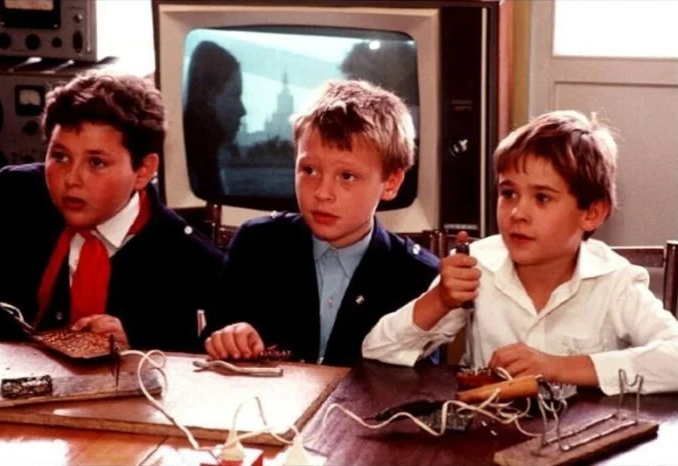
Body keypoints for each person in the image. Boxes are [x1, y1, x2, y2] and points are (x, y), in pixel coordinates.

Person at [362, 110, 678, 395]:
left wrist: (558, 367)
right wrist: (440, 299)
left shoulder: (615, 282)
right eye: (509, 193)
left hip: (587, 436)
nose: (517, 213)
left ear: (592, 213)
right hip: (489, 434)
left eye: (542, 198)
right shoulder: (478, 268)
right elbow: (377, 351)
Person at [0, 71, 224, 353]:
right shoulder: (16, 193)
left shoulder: (194, 263)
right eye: (60, 156)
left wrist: (138, 345)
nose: (71, 179)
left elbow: (196, 359)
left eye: (96, 162)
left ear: (144, 170)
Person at [201, 80, 440, 366]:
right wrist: (229, 338)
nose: (322, 193)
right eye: (309, 170)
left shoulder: (418, 275)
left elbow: (422, 381)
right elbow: (209, 343)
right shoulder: (256, 245)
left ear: (391, 183)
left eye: (347, 176)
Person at [184, 41, 246, 201]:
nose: (243, 111)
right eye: (235, 95)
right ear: (209, 97)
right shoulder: (195, 174)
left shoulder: (205, 166)